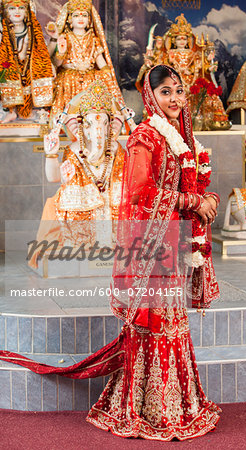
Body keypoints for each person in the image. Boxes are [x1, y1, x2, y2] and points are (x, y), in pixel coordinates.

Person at [0, 65, 221, 441]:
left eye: (179, 91)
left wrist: (205, 199)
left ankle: (176, 403)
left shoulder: (181, 138)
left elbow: (186, 187)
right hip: (151, 248)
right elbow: (139, 196)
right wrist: (192, 200)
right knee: (155, 327)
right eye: (165, 91)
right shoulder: (145, 138)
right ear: (151, 97)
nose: (174, 99)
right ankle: (147, 407)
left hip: (172, 241)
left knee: (173, 326)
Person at [28, 80, 125, 268]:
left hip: (111, 199)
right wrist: (51, 154)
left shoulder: (115, 149)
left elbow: (123, 178)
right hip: (83, 200)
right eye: (91, 124)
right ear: (81, 127)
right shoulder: (74, 149)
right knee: (62, 200)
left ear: (110, 126)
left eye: (103, 124)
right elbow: (54, 178)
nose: (98, 131)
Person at [46, 0, 131, 125]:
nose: (81, 18)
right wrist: (61, 52)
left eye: (84, 15)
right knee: (69, 116)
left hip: (90, 81)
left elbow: (100, 62)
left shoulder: (94, 39)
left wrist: (108, 76)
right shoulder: (64, 38)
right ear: (69, 19)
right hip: (69, 81)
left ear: (89, 20)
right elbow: (57, 64)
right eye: (76, 15)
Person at [0, 0, 53, 123]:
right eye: (12, 9)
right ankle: (11, 111)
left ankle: (38, 110)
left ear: (27, 12)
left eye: (21, 8)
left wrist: (54, 39)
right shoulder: (3, 32)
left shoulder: (33, 31)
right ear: (5, 12)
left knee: (43, 71)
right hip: (9, 68)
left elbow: (43, 54)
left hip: (31, 68)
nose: (17, 12)